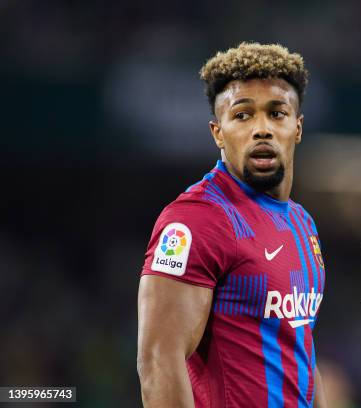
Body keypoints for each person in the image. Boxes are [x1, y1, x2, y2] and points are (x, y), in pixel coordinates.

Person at [137, 42, 327, 408]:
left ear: (297, 127)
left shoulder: (304, 225)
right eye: (242, 115)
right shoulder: (196, 220)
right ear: (217, 133)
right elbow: (159, 361)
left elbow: (300, 349)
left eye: (277, 113)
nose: (262, 129)